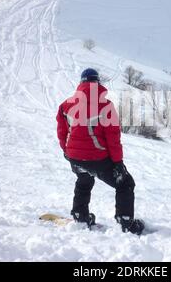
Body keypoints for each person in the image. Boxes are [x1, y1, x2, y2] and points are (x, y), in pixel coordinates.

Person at [56, 68, 144, 235]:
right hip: (97, 158)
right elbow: (113, 139)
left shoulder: (66, 105)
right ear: (97, 83)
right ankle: (125, 222)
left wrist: (66, 151)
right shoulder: (105, 106)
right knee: (125, 183)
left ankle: (80, 216)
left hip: (75, 158)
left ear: (81, 83)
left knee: (84, 180)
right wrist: (118, 163)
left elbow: (62, 132)